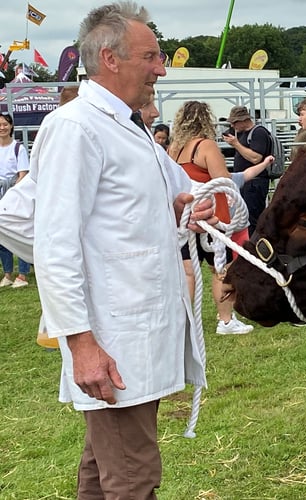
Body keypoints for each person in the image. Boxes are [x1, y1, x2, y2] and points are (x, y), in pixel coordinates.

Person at [30, 3, 217, 497]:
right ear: (110, 59)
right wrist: (80, 343)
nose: (161, 67)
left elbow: (151, 208)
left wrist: (182, 207)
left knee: (106, 464)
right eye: (151, 56)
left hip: (140, 329)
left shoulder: (131, 130)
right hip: (115, 338)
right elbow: (55, 241)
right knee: (133, 475)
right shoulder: (76, 127)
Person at [169, 100, 266, 335]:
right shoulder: (206, 146)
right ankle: (225, 320)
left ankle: (184, 323)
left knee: (187, 270)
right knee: (220, 269)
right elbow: (222, 180)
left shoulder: (173, 149)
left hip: (183, 216)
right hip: (212, 216)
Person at [222, 105, 273, 236]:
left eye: (235, 122)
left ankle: (254, 246)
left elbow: (256, 158)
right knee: (245, 217)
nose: (233, 126)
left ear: (244, 120)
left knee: (252, 218)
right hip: (247, 182)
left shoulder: (258, 133)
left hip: (255, 182)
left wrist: (236, 144)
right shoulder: (243, 134)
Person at [0, 112, 31, 288]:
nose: (2, 128)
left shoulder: (18, 148)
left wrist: (12, 194)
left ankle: (23, 274)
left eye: (5, 124)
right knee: (2, 235)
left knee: (19, 232)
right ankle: (7, 273)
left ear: (11, 126)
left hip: (14, 192)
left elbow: (22, 174)